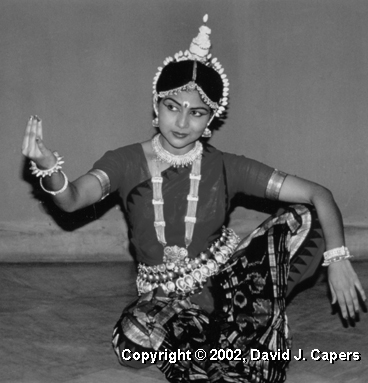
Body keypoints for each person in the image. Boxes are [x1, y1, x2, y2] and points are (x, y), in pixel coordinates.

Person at [22, 15, 365, 383]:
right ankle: (235, 339)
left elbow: (318, 194)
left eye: (197, 112)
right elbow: (72, 199)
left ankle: (241, 328)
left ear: (211, 119)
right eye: (173, 107)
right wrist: (48, 168)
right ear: (156, 106)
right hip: (165, 298)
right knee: (133, 337)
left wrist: (338, 258)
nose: (182, 122)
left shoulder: (226, 167)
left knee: (304, 217)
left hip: (229, 284)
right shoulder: (124, 161)